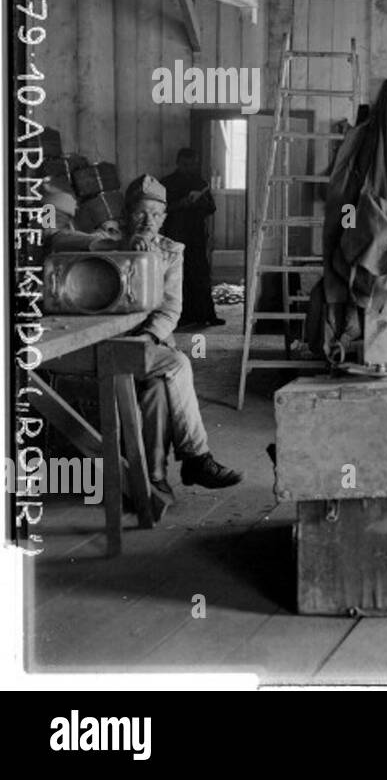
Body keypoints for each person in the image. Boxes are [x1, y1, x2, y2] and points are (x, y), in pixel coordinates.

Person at [51, 174, 243, 517]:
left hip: (147, 342)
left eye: (156, 215)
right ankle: (195, 460)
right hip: (109, 341)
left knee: (157, 387)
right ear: (126, 215)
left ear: (165, 217)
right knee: (177, 365)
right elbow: (54, 238)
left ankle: (152, 483)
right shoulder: (107, 240)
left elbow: (171, 308)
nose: (148, 222)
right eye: (140, 214)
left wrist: (149, 337)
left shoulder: (170, 252)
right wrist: (114, 247)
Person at [161, 148, 222, 328]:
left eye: (193, 164)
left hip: (197, 235)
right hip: (176, 236)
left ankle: (206, 315)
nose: (190, 168)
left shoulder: (200, 182)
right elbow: (162, 209)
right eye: (186, 165)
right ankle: (182, 317)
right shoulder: (167, 183)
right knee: (179, 277)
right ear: (178, 163)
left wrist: (201, 201)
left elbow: (212, 208)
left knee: (201, 275)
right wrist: (183, 203)